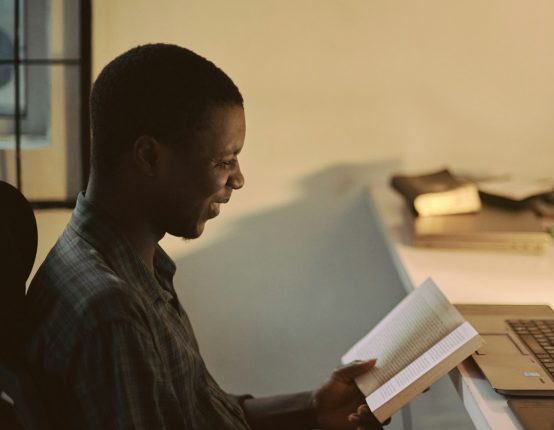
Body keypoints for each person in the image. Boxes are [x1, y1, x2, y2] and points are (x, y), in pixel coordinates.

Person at [22, 43, 386, 430]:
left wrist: (314, 409)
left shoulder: (130, 265)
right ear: (149, 157)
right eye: (224, 161)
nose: (239, 179)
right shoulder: (113, 316)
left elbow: (195, 415)